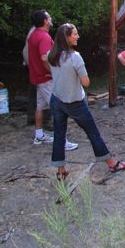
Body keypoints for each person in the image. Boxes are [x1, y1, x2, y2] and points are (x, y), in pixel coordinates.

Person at [48, 23, 125, 180]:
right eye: (75, 34)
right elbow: (86, 83)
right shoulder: (75, 57)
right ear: (66, 37)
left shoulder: (51, 55)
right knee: (93, 133)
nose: (77, 36)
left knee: (59, 135)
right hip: (75, 103)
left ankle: (60, 171)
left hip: (56, 99)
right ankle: (112, 163)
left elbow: (54, 72)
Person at [27, 10, 78, 151]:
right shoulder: (43, 36)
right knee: (58, 109)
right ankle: (62, 141)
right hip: (46, 79)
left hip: (38, 77)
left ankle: (39, 135)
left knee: (40, 106)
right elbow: (44, 58)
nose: (51, 18)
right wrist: (54, 72)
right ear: (44, 21)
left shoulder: (33, 35)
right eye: (49, 17)